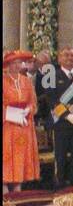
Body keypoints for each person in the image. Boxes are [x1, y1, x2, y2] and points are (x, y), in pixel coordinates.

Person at [40, 47, 73, 187]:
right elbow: (50, 99)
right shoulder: (52, 75)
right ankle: (59, 187)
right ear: (59, 59)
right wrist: (67, 115)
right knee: (60, 158)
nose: (70, 58)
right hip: (61, 124)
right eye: (66, 55)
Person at [3, 51, 40, 193]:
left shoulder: (26, 81)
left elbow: (33, 102)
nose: (18, 65)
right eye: (14, 63)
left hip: (23, 126)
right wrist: (10, 114)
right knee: (6, 158)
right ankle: (5, 194)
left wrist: (29, 110)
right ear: (8, 65)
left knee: (19, 158)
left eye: (20, 62)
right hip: (7, 126)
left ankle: (18, 192)